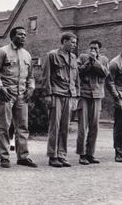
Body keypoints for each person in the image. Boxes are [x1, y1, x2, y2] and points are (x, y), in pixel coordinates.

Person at [0, 26, 37, 168]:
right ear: (12, 36)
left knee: (23, 127)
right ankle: (4, 157)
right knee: (4, 127)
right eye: (20, 34)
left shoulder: (27, 55)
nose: (23, 37)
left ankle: (23, 157)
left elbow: (31, 75)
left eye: (25, 35)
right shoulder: (2, 52)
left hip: (22, 95)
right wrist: (1, 88)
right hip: (7, 94)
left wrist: (31, 88)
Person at [42, 32, 80, 168]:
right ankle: (53, 156)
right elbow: (46, 76)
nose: (74, 45)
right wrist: (47, 95)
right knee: (55, 127)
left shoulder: (74, 57)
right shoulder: (52, 55)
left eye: (75, 43)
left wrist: (76, 95)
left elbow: (76, 79)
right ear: (64, 42)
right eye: (72, 42)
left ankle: (62, 155)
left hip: (69, 95)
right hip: (56, 94)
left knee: (65, 127)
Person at [75, 40, 108, 165]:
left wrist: (96, 62)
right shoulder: (83, 58)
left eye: (95, 48)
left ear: (100, 49)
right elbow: (78, 71)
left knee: (94, 126)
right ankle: (82, 154)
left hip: (97, 95)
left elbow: (105, 73)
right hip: (84, 94)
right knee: (83, 126)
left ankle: (90, 154)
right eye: (91, 48)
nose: (93, 50)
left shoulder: (104, 60)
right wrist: (89, 61)